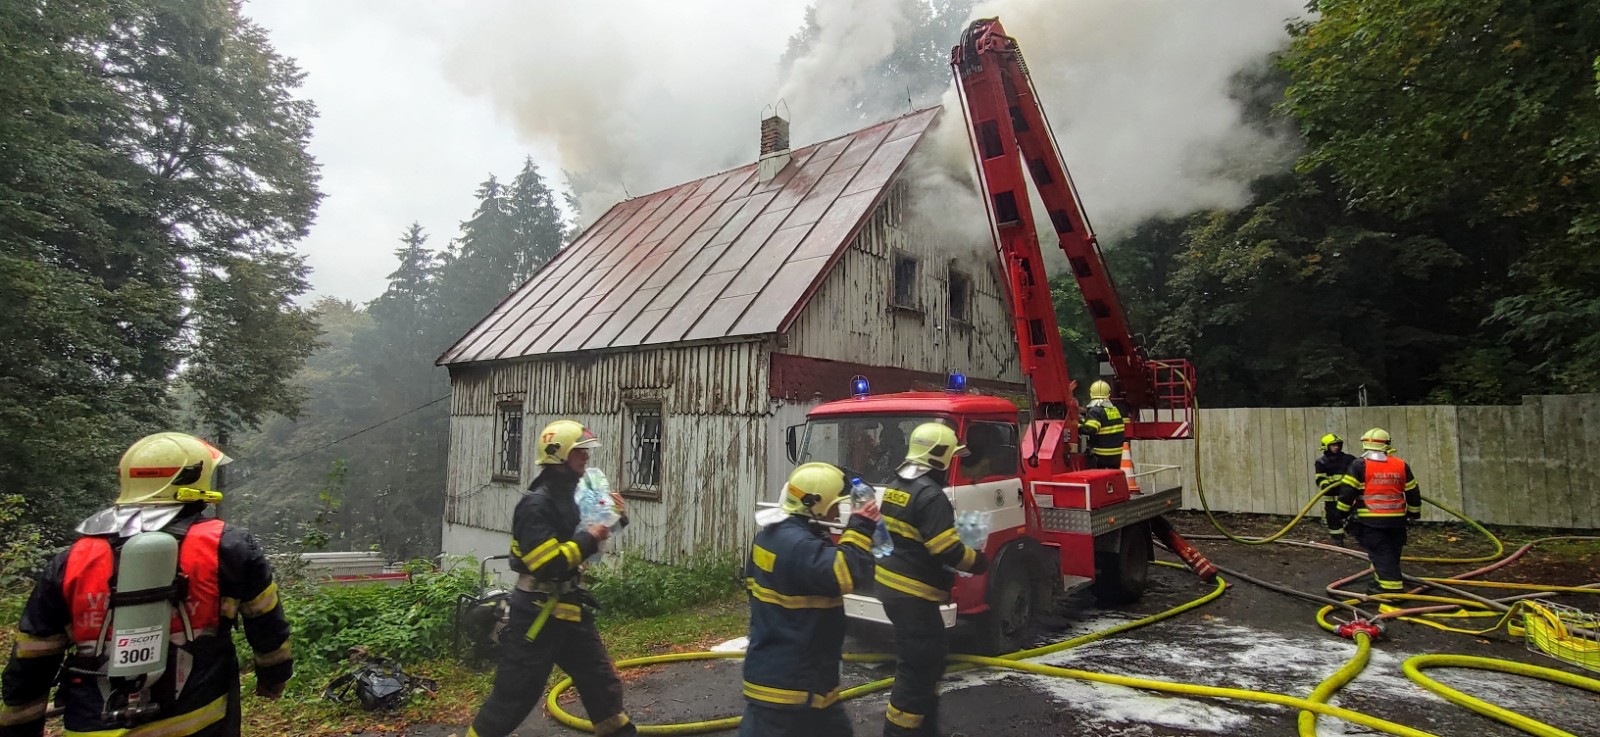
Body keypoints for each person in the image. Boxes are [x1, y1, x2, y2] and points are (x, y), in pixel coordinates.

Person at [0, 432, 291, 737]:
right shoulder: (226, 547)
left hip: (91, 723)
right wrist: (273, 678)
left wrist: (17, 726)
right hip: (198, 721)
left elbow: (32, 660)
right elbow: (266, 625)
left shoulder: (71, 560)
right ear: (197, 482)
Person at [467, 420, 636, 737]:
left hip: (568, 608)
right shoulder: (536, 505)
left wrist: (613, 517)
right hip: (537, 613)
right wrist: (590, 537)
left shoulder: (571, 495)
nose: (586, 457)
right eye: (579, 452)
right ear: (559, 456)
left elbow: (587, 532)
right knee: (513, 696)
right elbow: (548, 564)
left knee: (601, 683)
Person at [739, 463, 877, 736]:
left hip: (799, 682)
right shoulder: (799, 546)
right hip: (789, 691)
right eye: (835, 507)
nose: (838, 516)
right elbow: (845, 574)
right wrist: (861, 527)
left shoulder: (772, 537)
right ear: (815, 505)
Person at [876, 423, 988, 736]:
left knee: (927, 660)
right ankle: (901, 731)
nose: (954, 463)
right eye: (951, 457)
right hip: (914, 598)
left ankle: (927, 727)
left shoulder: (896, 484)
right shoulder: (930, 495)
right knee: (919, 669)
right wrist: (977, 561)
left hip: (893, 589)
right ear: (938, 457)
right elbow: (946, 550)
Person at [1329, 428, 1422, 596]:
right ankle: (1382, 581)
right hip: (1397, 520)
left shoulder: (1359, 465)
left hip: (1371, 520)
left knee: (1380, 552)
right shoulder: (1400, 464)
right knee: (1391, 551)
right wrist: (1414, 514)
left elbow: (1347, 492)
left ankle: (1391, 589)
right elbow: (1413, 491)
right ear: (1387, 444)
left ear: (1364, 444)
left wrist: (1341, 514)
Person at [1314, 433, 1357, 542]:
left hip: (1348, 495)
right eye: (1333, 445)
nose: (1336, 447)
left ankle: (1354, 533)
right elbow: (1320, 478)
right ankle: (1338, 540)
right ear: (1326, 446)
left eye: (1338, 445)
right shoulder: (1321, 462)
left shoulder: (1349, 459)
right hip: (1331, 497)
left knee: (1355, 516)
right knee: (1333, 520)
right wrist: (1326, 485)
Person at [1078, 380, 1126, 470]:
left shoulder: (1095, 411)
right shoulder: (1115, 410)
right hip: (1118, 455)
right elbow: (1105, 422)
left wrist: (1077, 426)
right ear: (1108, 393)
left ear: (1091, 393)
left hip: (1101, 456)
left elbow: (1091, 429)